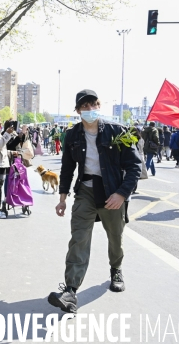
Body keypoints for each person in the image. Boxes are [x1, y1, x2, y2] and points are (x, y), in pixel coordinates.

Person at [48, 89, 141, 314]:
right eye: (85, 107)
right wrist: (62, 199)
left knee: (115, 236)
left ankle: (116, 268)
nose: (90, 110)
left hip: (112, 192)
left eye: (94, 105)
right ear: (78, 111)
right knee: (78, 238)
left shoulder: (117, 131)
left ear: (99, 106)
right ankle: (70, 290)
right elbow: (68, 168)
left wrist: (121, 194)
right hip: (85, 191)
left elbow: (134, 167)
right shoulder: (72, 135)